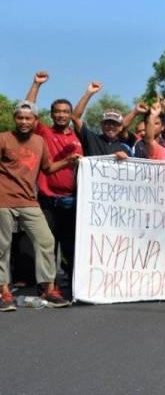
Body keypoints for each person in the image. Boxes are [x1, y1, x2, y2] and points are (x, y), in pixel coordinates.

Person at [0, 101, 80, 311]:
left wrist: (68, 161)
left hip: (28, 201)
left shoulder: (38, 141)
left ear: (35, 120)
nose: (24, 121)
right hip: (4, 201)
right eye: (20, 117)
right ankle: (4, 293)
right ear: (14, 119)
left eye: (28, 118)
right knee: (3, 247)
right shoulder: (4, 139)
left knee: (46, 241)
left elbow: (47, 167)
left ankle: (48, 288)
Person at [24, 71, 83, 283]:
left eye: (65, 112)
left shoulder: (78, 136)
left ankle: (74, 282)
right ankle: (47, 284)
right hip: (48, 198)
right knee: (47, 243)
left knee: (71, 244)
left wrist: (88, 93)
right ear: (51, 114)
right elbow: (27, 110)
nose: (61, 115)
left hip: (73, 200)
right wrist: (36, 85)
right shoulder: (44, 133)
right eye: (57, 112)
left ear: (70, 115)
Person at [71, 81, 131, 159]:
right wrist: (89, 93)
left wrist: (126, 159)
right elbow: (75, 118)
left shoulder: (125, 148)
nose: (111, 126)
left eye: (115, 124)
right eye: (108, 123)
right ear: (101, 125)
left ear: (120, 128)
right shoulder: (91, 139)